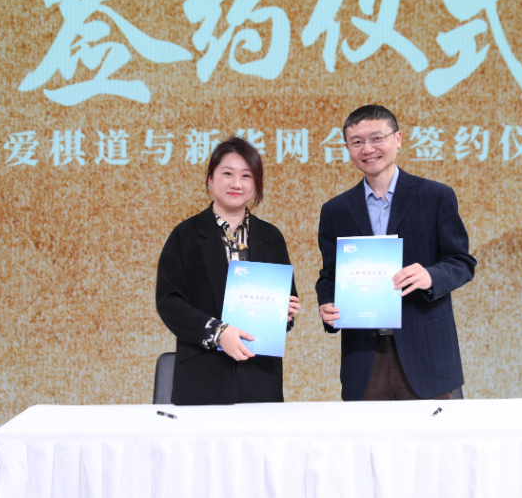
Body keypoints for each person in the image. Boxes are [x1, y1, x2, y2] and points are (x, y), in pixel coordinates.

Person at [316, 105, 476, 401]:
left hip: (427, 354)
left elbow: (462, 262)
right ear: (347, 148)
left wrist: (431, 276)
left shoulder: (435, 196)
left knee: (435, 432)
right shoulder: (335, 210)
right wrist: (327, 303)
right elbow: (330, 275)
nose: (368, 149)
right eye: (357, 141)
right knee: (366, 433)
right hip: (364, 357)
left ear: (398, 139)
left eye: (377, 138)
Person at [156, 136, 300, 405]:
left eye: (246, 175)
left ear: (256, 183)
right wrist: (218, 332)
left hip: (260, 377)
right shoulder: (185, 235)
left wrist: (286, 313)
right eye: (227, 174)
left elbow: (286, 302)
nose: (237, 183)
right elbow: (169, 302)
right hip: (202, 375)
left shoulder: (272, 237)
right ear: (211, 179)